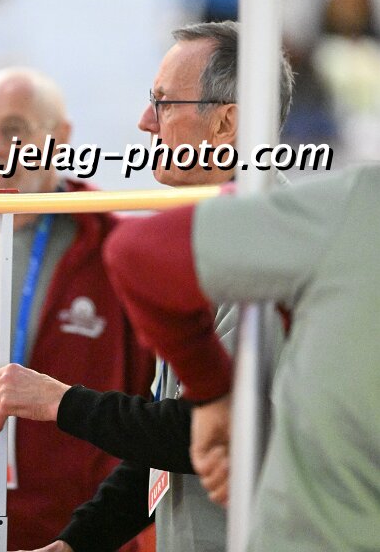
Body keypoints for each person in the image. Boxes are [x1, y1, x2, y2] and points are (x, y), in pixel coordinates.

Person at [0, 22, 294, 552]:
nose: (145, 122)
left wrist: (60, 401)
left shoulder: (272, 245)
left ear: (226, 123)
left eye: (163, 103)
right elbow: (164, 440)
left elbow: (204, 427)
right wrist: (77, 544)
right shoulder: (203, 239)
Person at [0, 67, 154, 552]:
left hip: (81, 527)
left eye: (14, 130)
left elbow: (148, 392)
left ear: (60, 136)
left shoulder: (116, 246)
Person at [101, 164, 380, 552]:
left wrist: (212, 390)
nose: (150, 131)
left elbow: (137, 253)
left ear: (224, 130)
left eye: (162, 107)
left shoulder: (355, 210)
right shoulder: (343, 215)